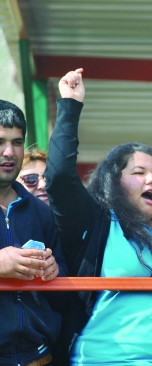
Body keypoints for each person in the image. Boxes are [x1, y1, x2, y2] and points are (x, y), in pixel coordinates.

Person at [47, 68, 152, 365]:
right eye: (139, 173)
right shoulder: (96, 224)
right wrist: (70, 105)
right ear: (114, 181)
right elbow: (60, 178)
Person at [0, 100, 65, 366]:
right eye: (0, 141)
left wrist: (54, 271)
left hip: (40, 358)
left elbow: (64, 285)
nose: (8, 152)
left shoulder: (43, 212)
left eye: (17, 142)